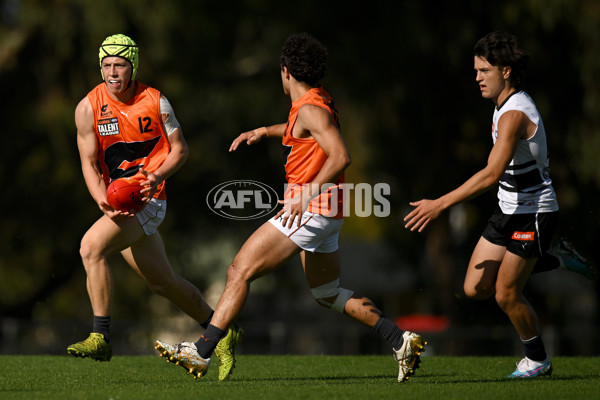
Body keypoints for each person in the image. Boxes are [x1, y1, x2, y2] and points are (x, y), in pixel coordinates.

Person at [155, 32, 426, 383]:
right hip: (328, 213)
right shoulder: (314, 103)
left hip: (311, 209)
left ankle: (202, 351)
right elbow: (301, 131)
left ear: (285, 72)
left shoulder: (311, 108)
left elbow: (341, 156)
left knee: (239, 270)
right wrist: (264, 130)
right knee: (327, 294)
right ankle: (400, 339)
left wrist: (305, 193)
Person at [404, 31, 593, 378]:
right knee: (474, 289)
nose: (476, 77)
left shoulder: (514, 114)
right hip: (507, 211)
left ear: (506, 71)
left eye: (483, 71)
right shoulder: (501, 107)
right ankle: (555, 258)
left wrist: (440, 205)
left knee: (506, 294)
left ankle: (537, 360)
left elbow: (491, 174)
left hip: (535, 212)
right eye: (475, 71)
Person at [68, 33, 242, 382]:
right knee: (162, 283)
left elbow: (180, 150)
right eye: (106, 65)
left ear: (133, 66)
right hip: (117, 201)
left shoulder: (156, 101)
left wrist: (156, 176)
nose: (112, 72)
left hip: (150, 198)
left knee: (90, 248)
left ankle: (100, 336)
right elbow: (88, 163)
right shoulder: (88, 107)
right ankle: (220, 331)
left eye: (119, 65)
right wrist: (101, 200)